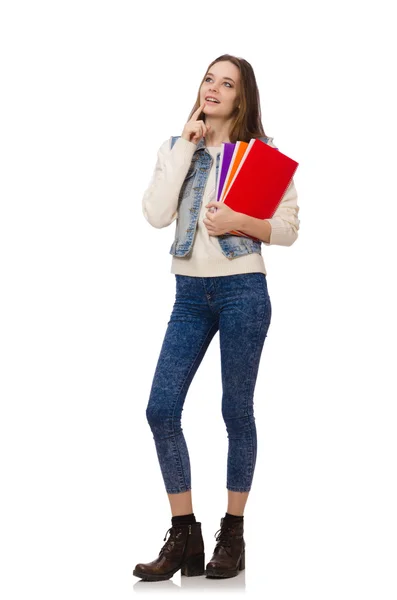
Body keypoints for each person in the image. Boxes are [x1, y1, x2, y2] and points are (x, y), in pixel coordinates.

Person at [133, 54, 300, 581]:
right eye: (209, 79)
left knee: (236, 411)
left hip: (243, 290)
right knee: (161, 409)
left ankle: (233, 533)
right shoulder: (174, 148)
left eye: (226, 84)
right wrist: (186, 145)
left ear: (241, 96)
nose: (213, 89)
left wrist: (240, 220)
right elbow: (156, 214)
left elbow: (289, 228)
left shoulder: (263, 156)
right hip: (188, 295)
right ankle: (184, 534)